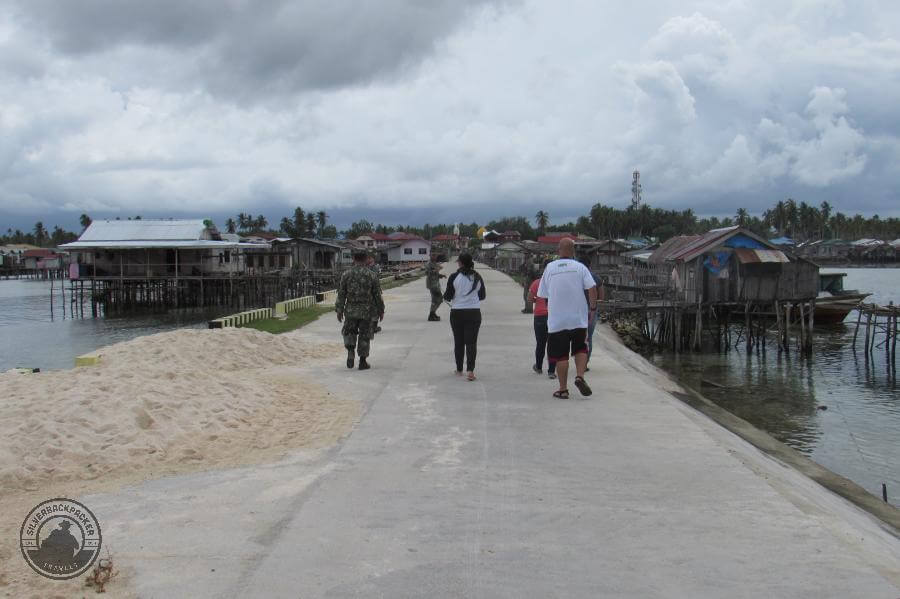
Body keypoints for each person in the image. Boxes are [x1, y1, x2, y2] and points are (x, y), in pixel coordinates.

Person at [537, 238, 597, 399]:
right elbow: (592, 288)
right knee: (581, 349)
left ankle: (563, 390)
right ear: (573, 251)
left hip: (558, 321)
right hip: (578, 318)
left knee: (561, 355)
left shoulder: (550, 268)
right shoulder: (580, 267)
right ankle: (579, 376)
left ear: (558, 250)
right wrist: (592, 308)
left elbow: (542, 295)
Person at [336, 250, 385, 370]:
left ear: (353, 258)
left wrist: (339, 309)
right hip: (366, 311)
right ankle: (362, 362)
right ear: (366, 259)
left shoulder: (346, 274)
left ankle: (350, 351)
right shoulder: (371, 275)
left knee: (349, 332)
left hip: (351, 310)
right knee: (364, 336)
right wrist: (380, 310)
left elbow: (341, 294)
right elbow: (377, 295)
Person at [443, 253, 487, 381]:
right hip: (474, 312)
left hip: (457, 313)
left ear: (461, 263)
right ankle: (470, 371)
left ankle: (458, 369)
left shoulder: (454, 277)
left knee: (459, 342)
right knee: (471, 343)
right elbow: (482, 296)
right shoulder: (478, 277)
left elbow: (448, 296)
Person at [527, 260, 556, 379]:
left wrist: (537, 301)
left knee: (540, 343)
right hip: (554, 316)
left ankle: (538, 367)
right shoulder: (556, 283)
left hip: (539, 316)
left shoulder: (537, 282)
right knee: (552, 344)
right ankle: (551, 371)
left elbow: (529, 298)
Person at [424, 254, 446, 321]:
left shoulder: (435, 263)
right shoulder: (428, 264)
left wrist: (440, 275)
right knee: (438, 299)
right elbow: (427, 273)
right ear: (430, 255)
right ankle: (431, 314)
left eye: (435, 255)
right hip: (432, 285)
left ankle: (432, 313)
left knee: (438, 300)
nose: (435, 256)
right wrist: (436, 269)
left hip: (436, 284)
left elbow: (435, 274)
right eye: (433, 255)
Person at [366, 254, 382, 333]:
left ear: (372, 259)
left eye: (369, 258)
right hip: (367, 291)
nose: (367, 260)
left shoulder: (375, 267)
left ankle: (374, 326)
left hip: (374, 290)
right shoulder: (366, 267)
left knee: (376, 308)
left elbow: (374, 277)